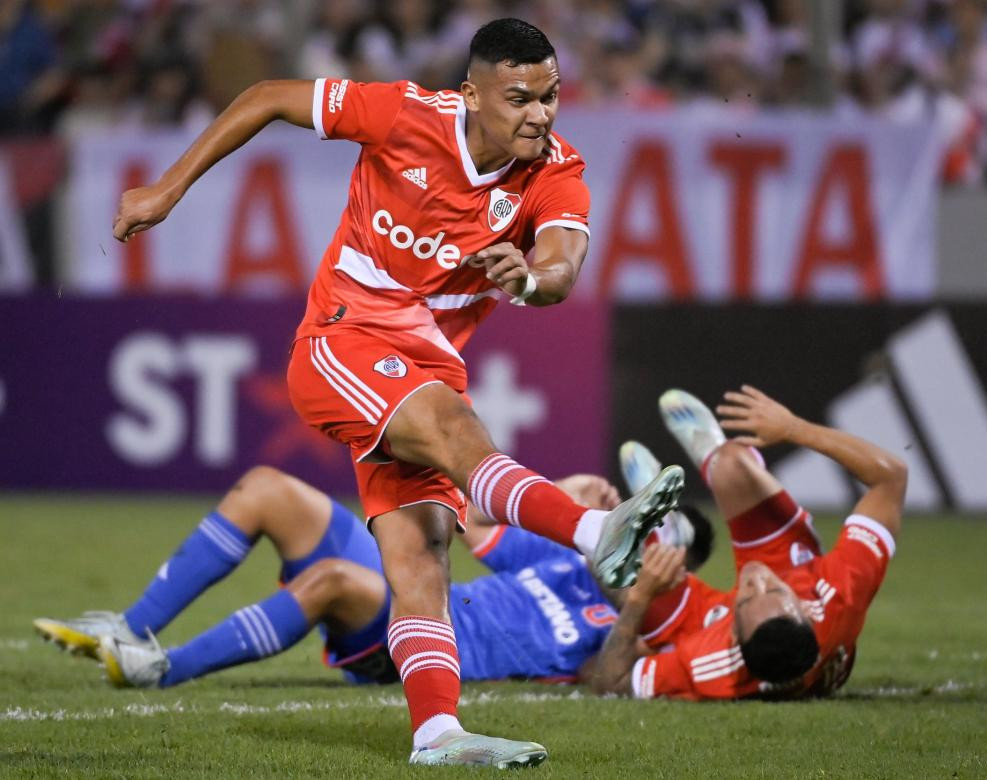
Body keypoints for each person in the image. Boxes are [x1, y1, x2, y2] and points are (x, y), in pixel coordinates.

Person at [110, 17, 683, 767]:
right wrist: (167, 187)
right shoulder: (406, 114)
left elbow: (564, 263)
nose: (539, 114)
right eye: (519, 97)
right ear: (471, 95)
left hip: (428, 362)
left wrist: (531, 280)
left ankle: (436, 733)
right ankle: (594, 534)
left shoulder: (556, 169)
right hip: (342, 340)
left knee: (420, 557)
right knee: (455, 429)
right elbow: (269, 96)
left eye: (550, 97)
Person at [34, 467, 713, 690]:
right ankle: (129, 625)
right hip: (416, 588)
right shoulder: (564, 560)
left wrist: (638, 602)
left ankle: (159, 670)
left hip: (425, 639)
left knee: (331, 577)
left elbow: (603, 685)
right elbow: (468, 522)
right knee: (267, 488)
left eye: (657, 544)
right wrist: (561, 496)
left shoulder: (644, 626)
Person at [589, 387, 905, 701]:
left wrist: (639, 599)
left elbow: (611, 682)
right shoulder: (838, 596)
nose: (756, 576)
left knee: (612, 563)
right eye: (774, 590)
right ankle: (712, 458)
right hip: (794, 572)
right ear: (805, 613)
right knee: (732, 465)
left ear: (734, 634)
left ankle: (661, 533)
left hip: (711, 623)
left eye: (745, 598)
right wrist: (794, 428)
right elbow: (891, 477)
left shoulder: (714, 665)